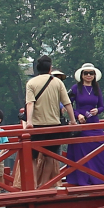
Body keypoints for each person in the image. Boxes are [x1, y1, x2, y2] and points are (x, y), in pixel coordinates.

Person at [24, 56, 72, 185]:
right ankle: (44, 185)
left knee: (32, 156)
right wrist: (73, 121)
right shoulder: (57, 82)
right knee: (51, 156)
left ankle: (33, 184)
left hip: (37, 126)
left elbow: (30, 103)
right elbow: (67, 103)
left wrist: (29, 122)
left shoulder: (31, 83)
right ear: (50, 68)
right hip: (54, 125)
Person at [66, 63, 104, 185]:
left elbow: (102, 106)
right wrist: (77, 115)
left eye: (91, 73)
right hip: (81, 122)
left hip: (94, 122)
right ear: (81, 75)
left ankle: (101, 178)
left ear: (94, 75)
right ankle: (82, 178)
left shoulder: (97, 89)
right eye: (85, 73)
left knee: (100, 148)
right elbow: (68, 105)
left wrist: (97, 110)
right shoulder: (76, 88)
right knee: (81, 151)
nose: (88, 75)